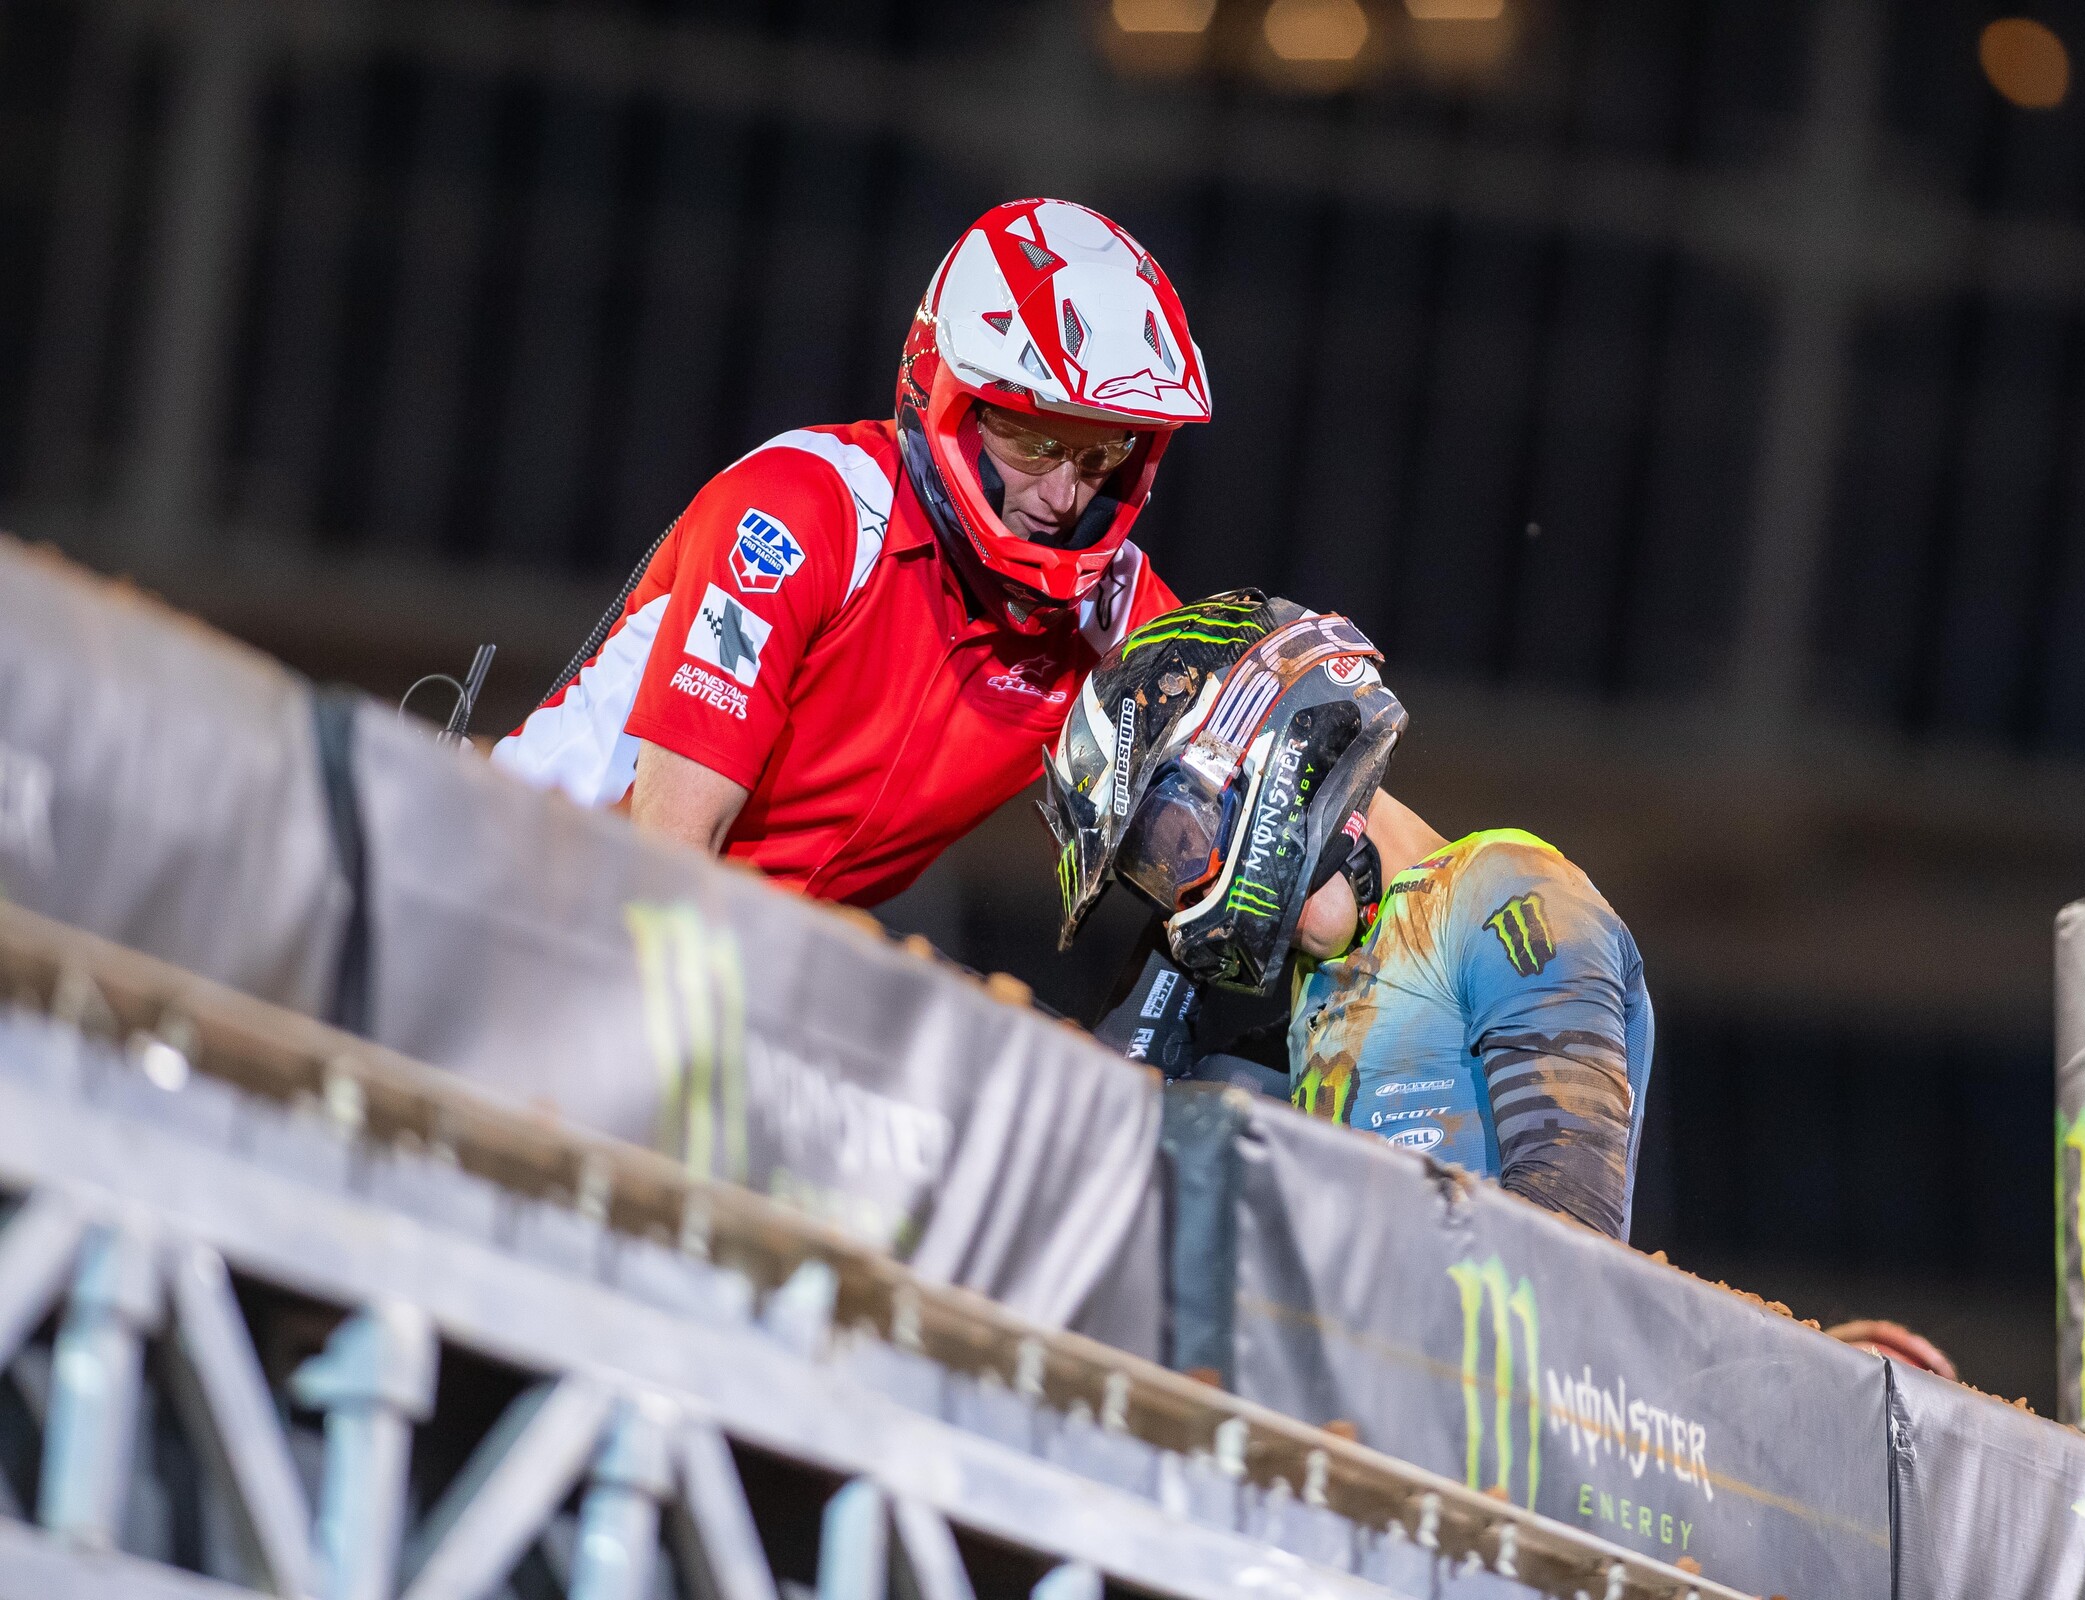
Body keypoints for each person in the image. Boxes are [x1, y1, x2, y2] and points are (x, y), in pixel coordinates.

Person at [492, 198, 1206, 908]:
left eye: (1100, 454)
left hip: (734, 952)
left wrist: (1323, 947)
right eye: (1036, 442)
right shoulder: (797, 514)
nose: (1064, 495)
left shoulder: (1113, 614)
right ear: (954, 400)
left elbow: (1262, 772)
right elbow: (667, 857)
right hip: (517, 891)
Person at [1039, 591, 1651, 1239]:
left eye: (1175, 845)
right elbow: (1113, 1141)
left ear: (1262, 742)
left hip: (1473, 1331)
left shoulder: (1507, 886)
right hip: (1368, 1328)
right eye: (1155, 880)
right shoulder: (1320, 1002)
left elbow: (1574, 1235)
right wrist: (1179, 948)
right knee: (1202, 1101)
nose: (1180, 899)